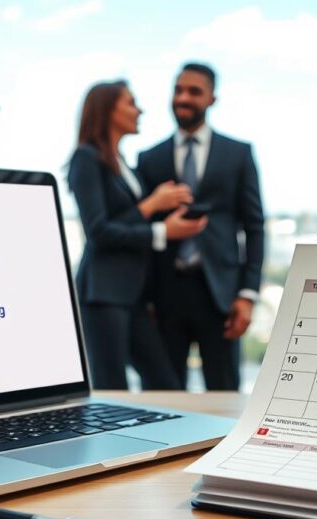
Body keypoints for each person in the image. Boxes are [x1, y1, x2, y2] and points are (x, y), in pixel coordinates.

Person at [68, 80, 207, 390]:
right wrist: (157, 219)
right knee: (112, 388)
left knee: (165, 385)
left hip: (133, 295)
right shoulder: (86, 159)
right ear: (107, 110)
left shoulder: (122, 164)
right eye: (131, 102)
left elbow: (127, 220)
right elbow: (98, 232)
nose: (139, 110)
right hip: (103, 293)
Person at [137, 63, 265, 391]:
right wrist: (145, 298)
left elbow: (254, 226)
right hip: (165, 296)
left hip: (220, 295)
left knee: (224, 399)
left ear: (212, 99)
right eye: (178, 90)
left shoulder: (238, 153)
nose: (183, 98)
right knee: (164, 399)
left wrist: (247, 295)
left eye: (194, 91)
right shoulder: (149, 158)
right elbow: (143, 232)